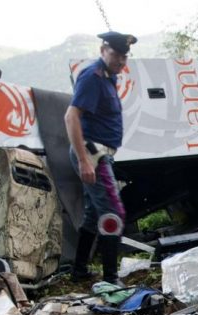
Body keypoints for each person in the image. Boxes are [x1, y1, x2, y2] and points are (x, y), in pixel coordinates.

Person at [64, 30, 136, 283]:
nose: (120, 61)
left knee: (94, 214)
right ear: (102, 50)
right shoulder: (93, 77)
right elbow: (71, 117)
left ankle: (80, 270)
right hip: (92, 152)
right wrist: (84, 160)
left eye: (124, 57)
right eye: (116, 54)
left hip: (100, 152)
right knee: (114, 212)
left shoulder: (108, 77)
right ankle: (110, 277)